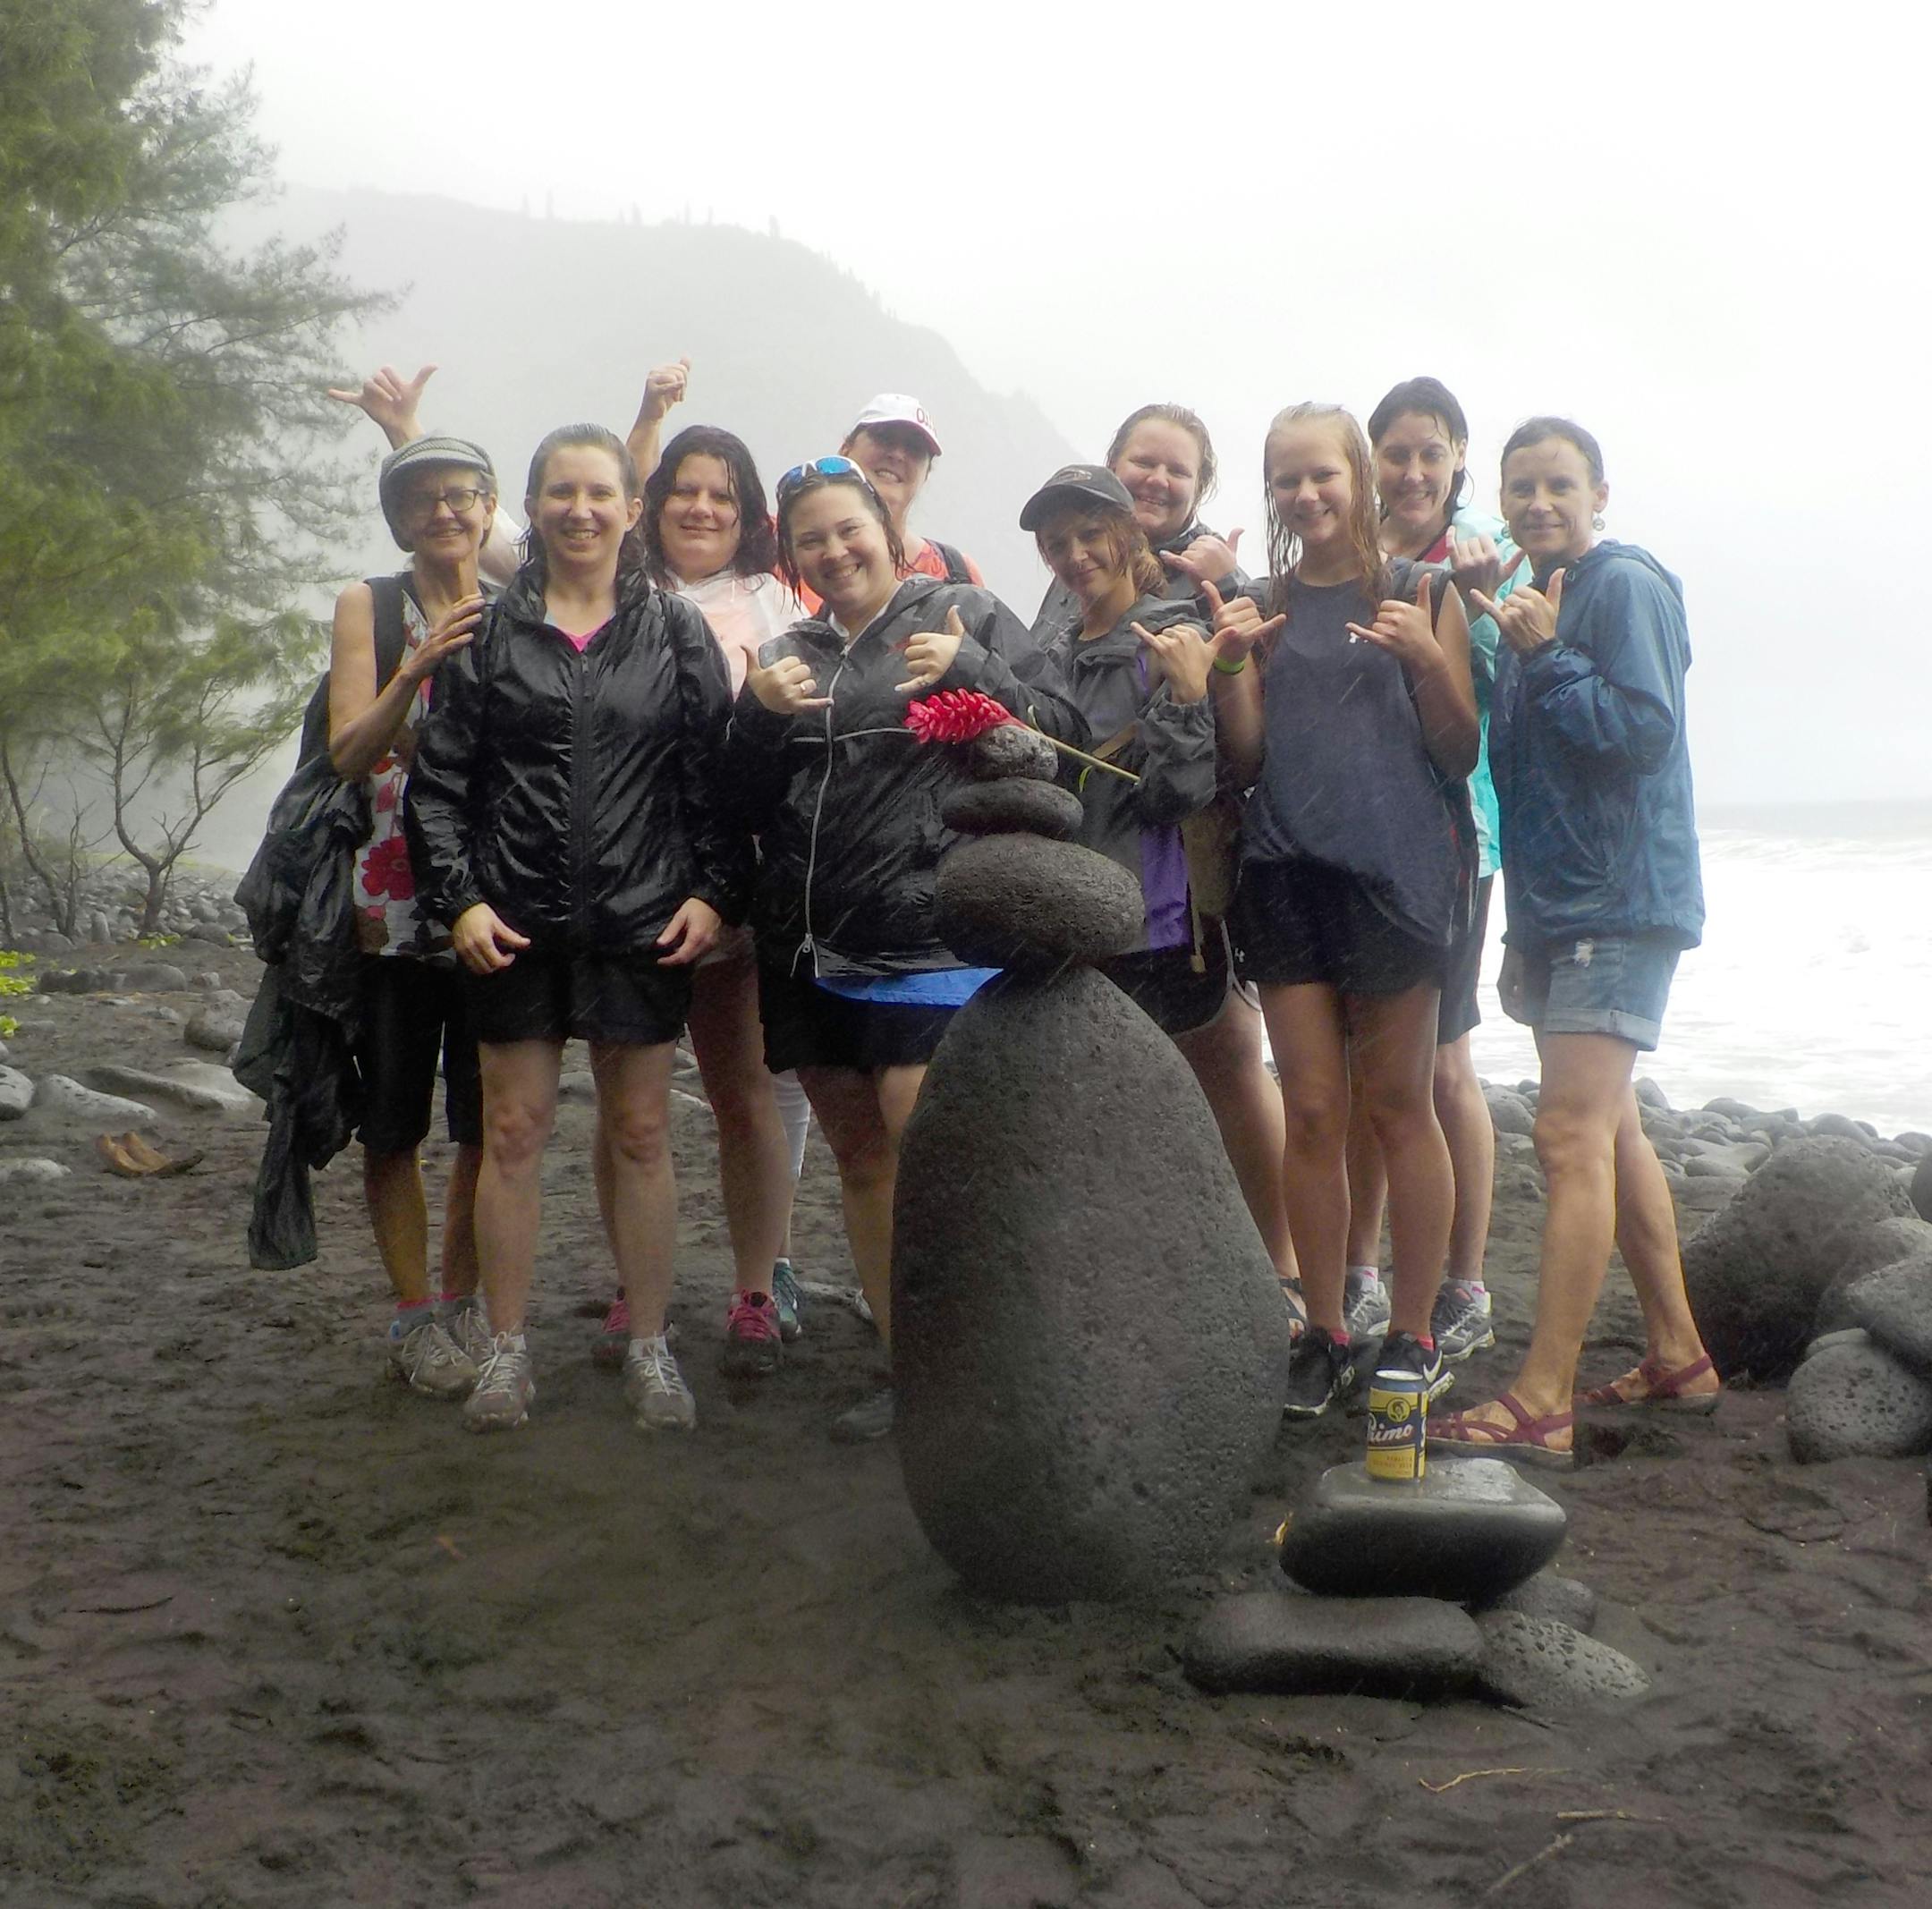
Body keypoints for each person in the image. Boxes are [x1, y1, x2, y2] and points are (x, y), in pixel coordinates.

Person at [728, 454, 1083, 1441]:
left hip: (929, 930)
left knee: (926, 1139)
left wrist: (974, 671)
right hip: (808, 942)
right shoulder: (787, 651)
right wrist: (755, 717)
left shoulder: (963, 611)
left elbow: (1065, 739)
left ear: (887, 531)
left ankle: (989, 1362)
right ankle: (912, 1372)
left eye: (849, 529)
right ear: (792, 556)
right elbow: (736, 803)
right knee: (859, 1157)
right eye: (811, 538)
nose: (834, 550)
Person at [405, 424, 748, 1435]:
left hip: (643, 920)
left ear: (632, 509)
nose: (581, 510)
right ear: (533, 506)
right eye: (561, 491)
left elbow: (714, 778)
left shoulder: (675, 631)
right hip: (512, 921)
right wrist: (460, 903)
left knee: (640, 1132)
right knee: (512, 1132)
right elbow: (439, 785)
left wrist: (713, 893)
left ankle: (650, 1345)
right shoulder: (487, 632)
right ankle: (506, 1350)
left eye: (601, 492)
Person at [1434, 418, 1715, 1465]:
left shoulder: (1624, 585)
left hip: (1621, 902)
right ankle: (1679, 1353)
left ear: (1600, 493)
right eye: (1521, 488)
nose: (1538, 502)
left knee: (1566, 1137)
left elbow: (1643, 736)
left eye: (1559, 484)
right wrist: (1497, 626)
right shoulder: (1536, 594)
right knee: (1614, 1130)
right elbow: (1531, 768)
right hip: (1565, 904)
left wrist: (1544, 654)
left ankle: (1541, 1399)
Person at [1206, 403, 1479, 1420]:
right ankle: (1323, 1331)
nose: (1305, 494)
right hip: (1284, 877)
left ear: (1358, 477)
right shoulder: (1262, 602)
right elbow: (1246, 757)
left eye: (1322, 474)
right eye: (1287, 479)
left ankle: (1412, 1333)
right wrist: (1231, 663)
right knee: (1314, 1110)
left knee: (1399, 1105)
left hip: (1396, 879)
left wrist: (1428, 661)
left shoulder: (1422, 590)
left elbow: (1460, 751)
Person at [1022, 463, 1301, 1314]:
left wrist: (1185, 694)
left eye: (1090, 535)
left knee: (1206, 1089)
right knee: (1111, 1108)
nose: (1076, 556)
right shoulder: (1053, 649)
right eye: (1057, 544)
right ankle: (1153, 1285)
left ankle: (1279, 1274)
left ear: (1128, 535)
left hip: (1167, 918)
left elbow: (1181, 793)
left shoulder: (1174, 635)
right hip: (1083, 915)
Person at [1341, 377, 1532, 1360]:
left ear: (1459, 456)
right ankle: (1360, 1272)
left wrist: (1483, 604)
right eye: (1397, 454)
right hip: (1358, 840)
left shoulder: (1484, 550)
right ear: (1372, 461)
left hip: (1456, 841)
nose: (1413, 471)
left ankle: (1466, 1284)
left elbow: (1501, 693)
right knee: (1366, 1065)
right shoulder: (1358, 551)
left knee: (1445, 1065)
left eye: (1432, 452)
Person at [325, 436, 496, 1396]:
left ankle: (464, 1299)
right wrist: (415, 667)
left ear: (488, 507)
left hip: (491, 900)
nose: (444, 511)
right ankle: (410, 1310)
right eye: (422, 499)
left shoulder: (519, 611)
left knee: (485, 1119)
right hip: (387, 904)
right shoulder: (373, 605)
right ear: (397, 520)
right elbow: (350, 752)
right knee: (393, 1118)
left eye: (461, 494)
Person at [839, 394, 985, 584]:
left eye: (915, 448)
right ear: (846, 449)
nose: (898, 455)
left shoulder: (957, 573)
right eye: (884, 437)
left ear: (926, 474)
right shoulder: (802, 555)